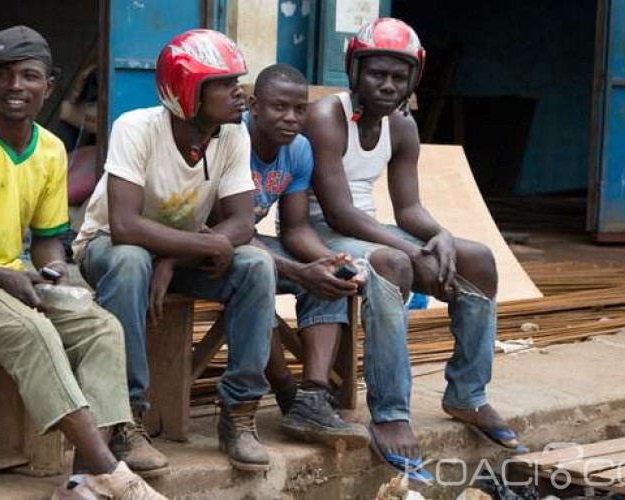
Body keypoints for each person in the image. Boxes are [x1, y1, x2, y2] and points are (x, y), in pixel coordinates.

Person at [0, 26, 164, 499]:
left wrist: (55, 273)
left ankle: (81, 484)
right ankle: (114, 476)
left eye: (28, 75)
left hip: (6, 282)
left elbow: (46, 242)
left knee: (102, 329)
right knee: (34, 331)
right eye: (1, 74)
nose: (14, 85)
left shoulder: (49, 149)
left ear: (48, 84)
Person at [302, 18, 528, 479]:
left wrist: (439, 235)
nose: (387, 84)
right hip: (319, 232)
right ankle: (389, 412)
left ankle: (467, 394)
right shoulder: (326, 117)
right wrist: (411, 251)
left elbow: (409, 209)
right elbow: (340, 213)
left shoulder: (402, 126)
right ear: (354, 71)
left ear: (413, 80)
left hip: (369, 227)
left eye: (398, 77)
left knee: (478, 260)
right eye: (376, 74)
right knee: (392, 263)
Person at [75, 29, 275, 473]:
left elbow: (242, 221)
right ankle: (126, 419)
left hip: (174, 253)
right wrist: (202, 244)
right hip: (107, 248)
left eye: (235, 81)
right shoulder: (136, 128)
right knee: (130, 261)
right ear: (188, 90)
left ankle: (238, 415)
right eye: (223, 84)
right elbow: (124, 225)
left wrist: (173, 257)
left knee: (257, 265)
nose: (238, 93)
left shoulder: (232, 135)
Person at [236, 63, 368, 447]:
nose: (291, 118)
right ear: (254, 105)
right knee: (256, 274)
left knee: (330, 276)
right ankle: (285, 392)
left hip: (252, 241)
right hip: (216, 241)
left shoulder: (298, 149)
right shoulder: (231, 140)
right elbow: (230, 229)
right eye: (279, 107)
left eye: (300, 109)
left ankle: (312, 396)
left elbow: (294, 228)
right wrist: (299, 269)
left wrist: (326, 261)